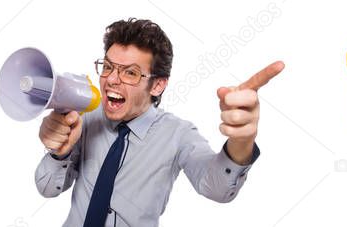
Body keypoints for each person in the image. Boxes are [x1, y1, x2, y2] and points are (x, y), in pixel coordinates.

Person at [34, 18, 283, 226]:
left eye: (130, 72)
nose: (111, 80)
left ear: (158, 84)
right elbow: (47, 189)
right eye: (108, 67)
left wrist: (242, 140)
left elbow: (216, 188)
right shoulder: (86, 117)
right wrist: (58, 153)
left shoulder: (179, 134)